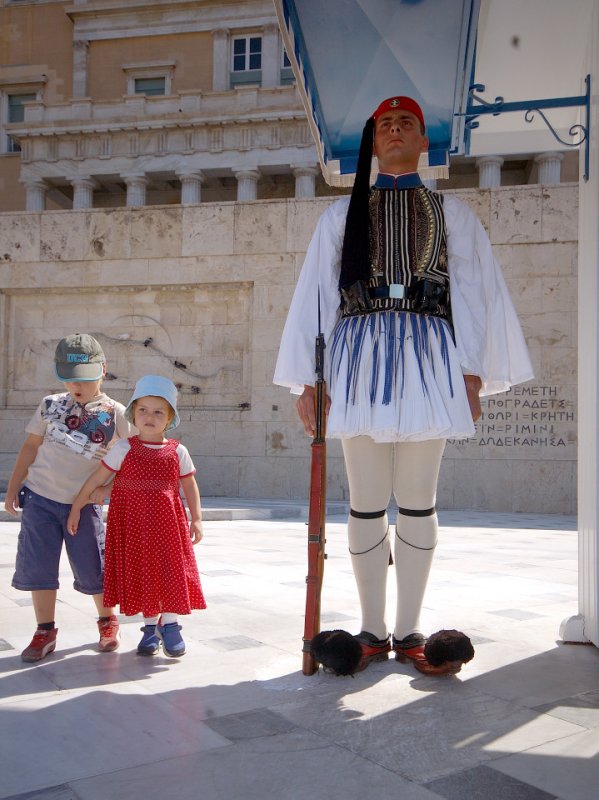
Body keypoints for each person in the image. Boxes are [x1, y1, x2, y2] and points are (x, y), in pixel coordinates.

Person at [274, 96, 534, 675]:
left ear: (424, 142)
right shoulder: (339, 217)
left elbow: (474, 295)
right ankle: (370, 630)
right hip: (357, 358)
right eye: (385, 125)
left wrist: (471, 372)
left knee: (418, 500)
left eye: (406, 125)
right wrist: (307, 381)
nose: (395, 131)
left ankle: (411, 628)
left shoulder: (454, 214)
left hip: (429, 358)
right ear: (373, 140)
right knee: (366, 503)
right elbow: (316, 297)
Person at [5, 333, 134, 662]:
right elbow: (31, 446)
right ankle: (45, 630)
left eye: (85, 380)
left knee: (93, 567)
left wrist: (108, 490)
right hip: (40, 498)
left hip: (85, 504)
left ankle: (108, 620)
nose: (77, 387)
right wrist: (13, 486)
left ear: (103, 370)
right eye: (70, 380)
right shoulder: (50, 405)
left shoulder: (116, 412)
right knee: (38, 566)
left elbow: (133, 457)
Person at [67, 375, 206, 658]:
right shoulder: (124, 448)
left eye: (158, 412)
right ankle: (148, 629)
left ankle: (170, 625)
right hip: (133, 526)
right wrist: (76, 506)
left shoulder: (177, 451)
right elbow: (98, 478)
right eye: (143, 410)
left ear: (169, 418)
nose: (149, 417)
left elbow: (189, 484)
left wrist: (197, 518)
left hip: (168, 526)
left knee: (168, 571)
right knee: (140, 572)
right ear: (133, 414)